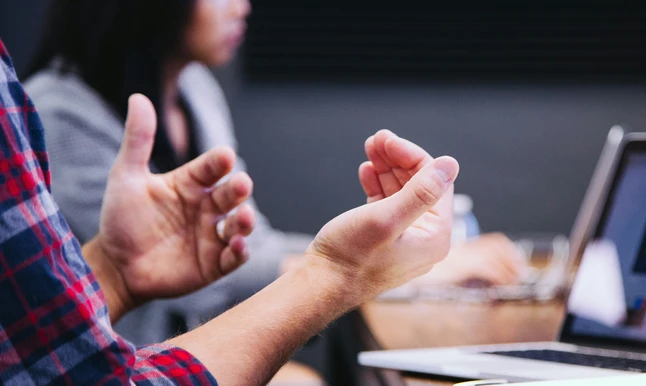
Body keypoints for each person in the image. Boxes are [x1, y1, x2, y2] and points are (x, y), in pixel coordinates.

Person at [24, 0, 525, 354]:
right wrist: (391, 268)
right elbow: (213, 279)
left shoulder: (195, 90)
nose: (242, 6)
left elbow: (243, 244)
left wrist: (380, 262)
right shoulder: (56, 115)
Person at [0, 36, 462, 384]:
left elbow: (28, 345)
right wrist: (341, 272)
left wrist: (115, 272)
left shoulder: (195, 88)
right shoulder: (59, 112)